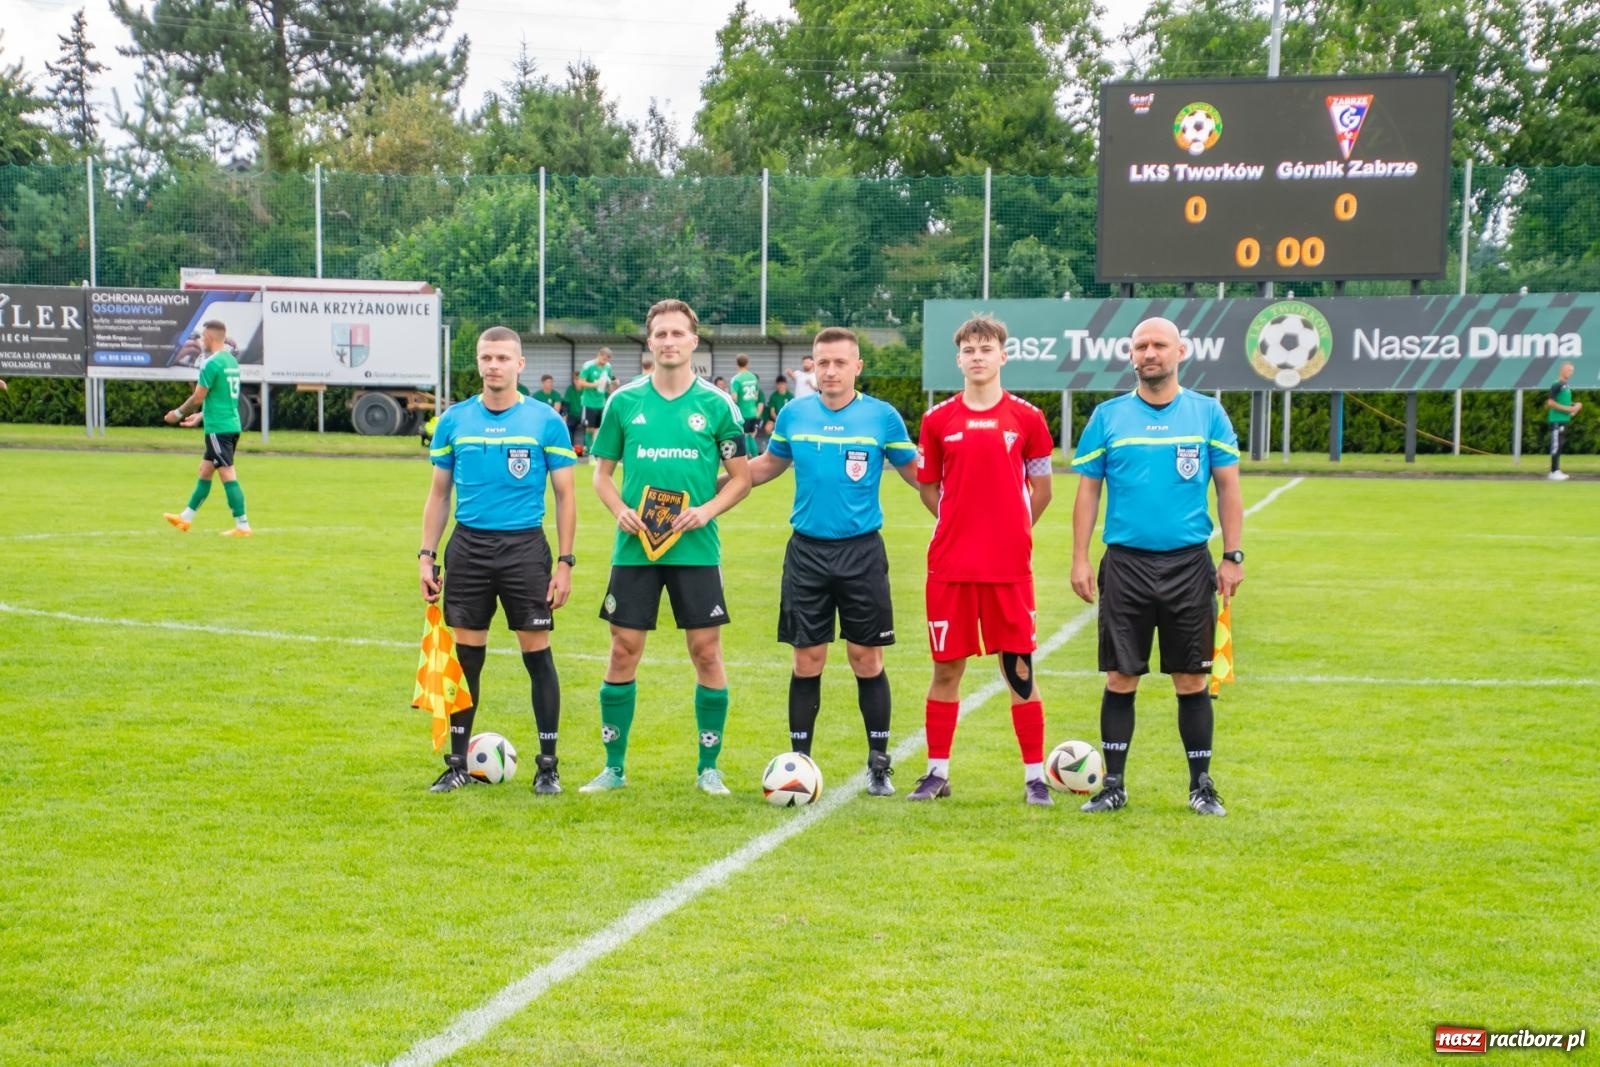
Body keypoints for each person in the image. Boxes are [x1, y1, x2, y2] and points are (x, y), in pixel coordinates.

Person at [1069, 316, 1243, 818]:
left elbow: (1229, 487)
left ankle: (1201, 785)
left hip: (1189, 565)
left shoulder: (1208, 414)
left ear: (1180, 351)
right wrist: (1080, 557)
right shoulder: (1107, 417)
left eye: (1159, 345)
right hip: (1125, 564)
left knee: (1190, 679)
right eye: (1141, 345)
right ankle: (1114, 785)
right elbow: (1088, 491)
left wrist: (1232, 555)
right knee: (1121, 677)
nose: (1150, 353)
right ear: (1132, 355)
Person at [582, 299, 752, 796]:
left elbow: (740, 480)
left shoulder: (718, 407)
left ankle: (709, 768)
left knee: (705, 651)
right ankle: (613, 768)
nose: (670, 342)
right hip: (635, 549)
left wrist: (706, 510)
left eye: (679, 334)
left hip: (696, 549)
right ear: (650, 341)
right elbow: (601, 475)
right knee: (623, 649)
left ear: (694, 342)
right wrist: (619, 510)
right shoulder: (623, 402)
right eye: (661, 334)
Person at [738, 328, 918, 794]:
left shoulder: (883, 417)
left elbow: (921, 477)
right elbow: (766, 467)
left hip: (862, 552)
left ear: (858, 366)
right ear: (811, 367)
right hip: (807, 553)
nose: (830, 371)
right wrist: (711, 483)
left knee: (866, 658)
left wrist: (966, 506)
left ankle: (879, 764)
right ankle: (799, 763)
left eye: (840, 362)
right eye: (822, 363)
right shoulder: (795, 414)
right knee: (807, 659)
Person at [419, 326, 578, 795]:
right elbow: (438, 494)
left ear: (519, 364)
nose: (494, 366)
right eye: (487, 357)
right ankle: (456, 764)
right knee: (466, 659)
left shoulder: (545, 420)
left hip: (524, 549)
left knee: (537, 657)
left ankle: (547, 766)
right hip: (468, 548)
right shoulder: (454, 420)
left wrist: (565, 562)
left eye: (503, 358)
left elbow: (566, 496)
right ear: (478, 362)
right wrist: (427, 555)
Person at [910, 314, 1057, 806]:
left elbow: (1043, 490)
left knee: (1019, 670)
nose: (977, 356)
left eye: (986, 348)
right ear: (959, 360)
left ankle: (1035, 778)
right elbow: (929, 489)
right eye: (969, 350)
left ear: (1002, 356)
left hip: (1008, 569)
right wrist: (960, 523)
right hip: (950, 568)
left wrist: (1012, 529)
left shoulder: (1028, 419)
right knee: (947, 669)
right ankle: (936, 773)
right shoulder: (937, 421)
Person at [162, 319, 252, 537]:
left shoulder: (211, 364)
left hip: (219, 429)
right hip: (228, 423)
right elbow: (222, 397)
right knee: (205, 471)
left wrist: (178, 414)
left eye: (203, 337)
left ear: (210, 338)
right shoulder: (230, 361)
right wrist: (201, 416)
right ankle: (185, 518)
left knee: (228, 474)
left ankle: (243, 526)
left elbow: (198, 396)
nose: (201, 341)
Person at [1545, 361, 1582, 481]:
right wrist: (1569, 409)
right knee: (1556, 445)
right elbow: (1550, 403)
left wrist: (1575, 405)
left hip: (1563, 420)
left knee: (1559, 445)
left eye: (1572, 371)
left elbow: (1564, 402)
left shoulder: (1566, 386)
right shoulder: (1557, 384)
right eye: (1569, 370)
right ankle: (1554, 471)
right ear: (1563, 370)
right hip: (1556, 420)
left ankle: (1556, 470)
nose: (1570, 373)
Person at [577, 346, 615, 455]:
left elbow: (609, 380)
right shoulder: (588, 366)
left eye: (607, 360)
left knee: (599, 428)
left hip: (601, 402)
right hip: (589, 402)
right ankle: (589, 452)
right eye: (604, 359)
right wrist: (595, 384)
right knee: (590, 428)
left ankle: (596, 452)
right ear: (599, 355)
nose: (605, 362)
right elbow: (580, 383)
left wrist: (613, 383)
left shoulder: (608, 367)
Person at [730, 353, 764, 457]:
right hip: (753, 412)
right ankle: (755, 458)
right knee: (751, 436)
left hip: (742, 413)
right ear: (747, 363)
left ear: (737, 364)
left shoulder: (736, 379)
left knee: (744, 436)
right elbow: (756, 395)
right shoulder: (753, 377)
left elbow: (734, 398)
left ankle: (747, 459)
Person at [760, 374, 791, 454]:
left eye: (782, 384)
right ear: (776, 385)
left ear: (786, 384)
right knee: (768, 428)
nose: (781, 386)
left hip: (787, 420)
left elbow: (792, 411)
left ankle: (787, 448)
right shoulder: (774, 396)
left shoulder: (790, 396)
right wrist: (778, 420)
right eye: (779, 384)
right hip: (775, 419)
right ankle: (775, 443)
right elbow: (772, 412)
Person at [563, 371, 584, 454]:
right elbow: (566, 405)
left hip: (584, 415)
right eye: (575, 379)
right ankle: (569, 448)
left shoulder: (586, 389)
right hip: (573, 415)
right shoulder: (570, 389)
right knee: (568, 427)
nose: (577, 381)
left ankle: (586, 449)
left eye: (579, 379)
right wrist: (564, 416)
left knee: (589, 429)